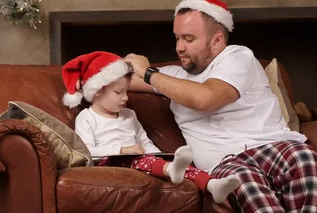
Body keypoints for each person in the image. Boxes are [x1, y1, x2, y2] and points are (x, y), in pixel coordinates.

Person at [123, 0, 317, 213]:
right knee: (243, 181)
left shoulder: (237, 57)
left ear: (217, 40)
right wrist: (125, 66)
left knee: (306, 159)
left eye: (189, 39)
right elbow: (108, 78)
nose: (179, 47)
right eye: (177, 38)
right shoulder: (174, 77)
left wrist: (149, 72)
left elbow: (206, 98)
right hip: (227, 163)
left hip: (273, 145)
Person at [61, 51, 240, 203]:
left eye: (126, 91)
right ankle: (170, 170)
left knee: (155, 161)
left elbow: (144, 141)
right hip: (109, 162)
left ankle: (211, 185)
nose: (125, 97)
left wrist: (158, 155)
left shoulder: (129, 114)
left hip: (138, 159)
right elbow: (87, 152)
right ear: (97, 91)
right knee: (143, 161)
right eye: (118, 92)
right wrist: (121, 150)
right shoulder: (87, 118)